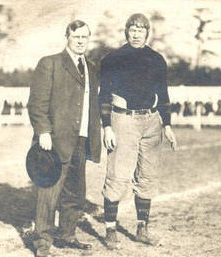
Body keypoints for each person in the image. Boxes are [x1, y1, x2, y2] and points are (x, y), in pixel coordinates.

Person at [99, 13, 177, 249]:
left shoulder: (156, 59)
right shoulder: (113, 58)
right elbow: (103, 96)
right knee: (118, 175)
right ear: (127, 31)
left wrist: (167, 124)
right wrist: (107, 126)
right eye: (132, 29)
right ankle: (110, 230)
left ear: (146, 33)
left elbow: (163, 94)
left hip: (151, 120)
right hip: (124, 120)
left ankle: (142, 228)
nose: (136, 34)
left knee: (147, 176)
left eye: (140, 30)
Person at [28, 20, 101, 257]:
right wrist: (43, 132)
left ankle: (68, 235)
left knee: (75, 192)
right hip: (55, 140)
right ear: (67, 36)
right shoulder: (50, 63)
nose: (81, 41)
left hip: (82, 139)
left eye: (85, 37)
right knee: (49, 191)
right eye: (76, 36)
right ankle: (42, 241)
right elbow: (36, 104)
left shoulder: (91, 67)